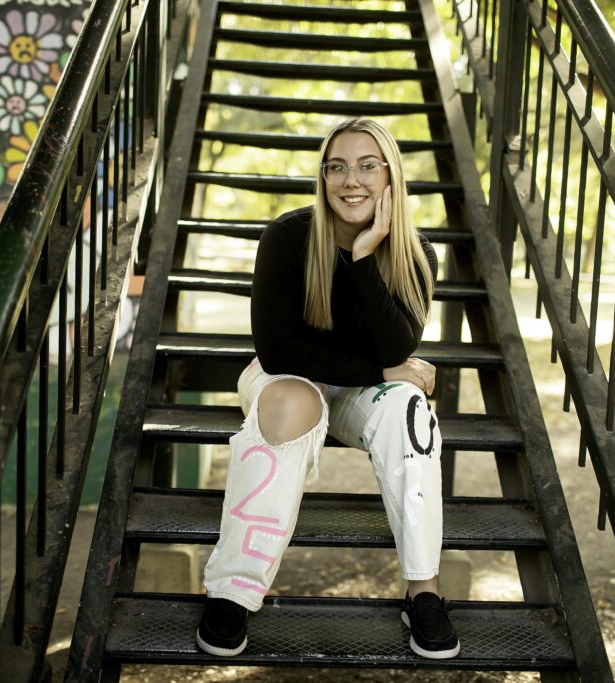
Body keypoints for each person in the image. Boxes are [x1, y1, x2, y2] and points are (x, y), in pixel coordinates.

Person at [196, 118, 460, 660]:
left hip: (359, 394)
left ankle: (423, 591)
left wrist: (367, 257)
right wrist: (384, 372)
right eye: (336, 166)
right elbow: (279, 351)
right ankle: (233, 590)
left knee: (410, 408)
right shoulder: (289, 238)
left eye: (368, 165)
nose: (351, 180)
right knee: (295, 400)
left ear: (391, 176)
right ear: (322, 177)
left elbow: (395, 350)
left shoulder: (416, 254)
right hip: (285, 382)